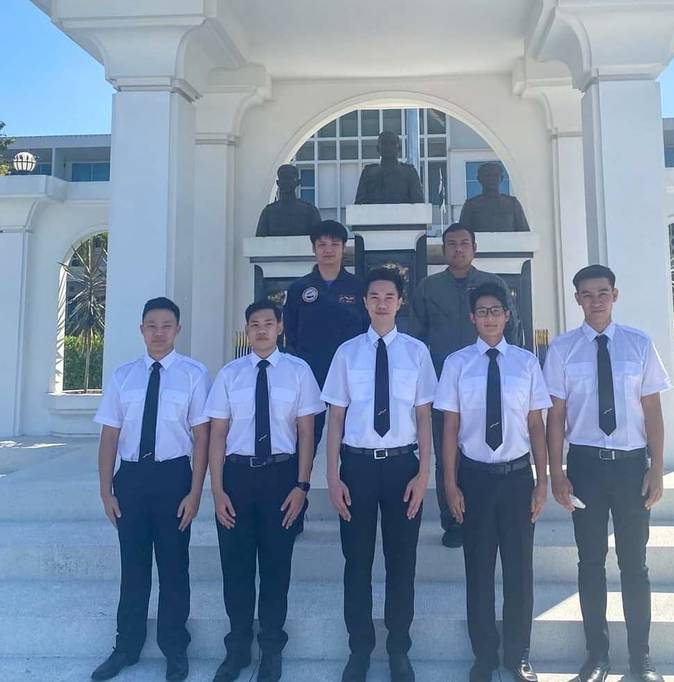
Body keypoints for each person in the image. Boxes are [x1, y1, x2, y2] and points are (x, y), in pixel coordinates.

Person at [544, 265, 671, 682]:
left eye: (603, 293)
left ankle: (641, 658)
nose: (595, 300)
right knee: (590, 562)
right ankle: (597, 656)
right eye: (587, 294)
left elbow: (652, 411)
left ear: (615, 295)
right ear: (576, 299)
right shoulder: (562, 350)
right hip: (586, 468)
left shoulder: (639, 344)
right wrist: (558, 473)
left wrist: (657, 468)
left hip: (632, 467)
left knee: (635, 564)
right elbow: (556, 416)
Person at [322, 267, 437, 682]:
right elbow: (336, 418)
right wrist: (332, 476)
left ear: (400, 302)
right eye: (374, 296)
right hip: (357, 468)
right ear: (365, 302)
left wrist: (424, 474)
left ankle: (398, 648)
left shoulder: (417, 353)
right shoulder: (346, 353)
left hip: (403, 467)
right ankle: (360, 649)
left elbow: (423, 417)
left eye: (389, 296)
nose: (382, 303)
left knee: (401, 562)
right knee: (357, 562)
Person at [91, 297, 211, 682]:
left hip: (173, 478)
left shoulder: (194, 374)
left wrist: (195, 492)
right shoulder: (123, 376)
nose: (159, 333)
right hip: (131, 479)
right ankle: (126, 646)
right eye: (152, 326)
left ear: (178, 330)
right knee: (133, 567)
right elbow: (110, 437)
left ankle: (174, 648)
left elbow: (202, 438)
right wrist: (106, 491)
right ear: (142, 330)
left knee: (174, 567)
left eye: (166, 326)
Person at [435, 283, 550, 682]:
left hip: (517, 479)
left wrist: (541, 482)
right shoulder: (456, 364)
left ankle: (519, 654)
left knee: (519, 571)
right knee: (479, 571)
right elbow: (450, 429)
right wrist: (450, 485)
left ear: (507, 316)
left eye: (496, 310)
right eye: (482, 311)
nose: (489, 317)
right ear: (472, 317)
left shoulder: (526, 363)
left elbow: (536, 426)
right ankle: (484, 655)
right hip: (475, 480)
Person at [206, 300, 324, 682]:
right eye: (254, 324)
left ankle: (272, 648)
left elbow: (307, 433)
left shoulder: (299, 371)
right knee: (236, 568)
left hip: (281, 478)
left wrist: (302, 486)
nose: (261, 330)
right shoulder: (229, 374)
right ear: (247, 330)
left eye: (268, 323)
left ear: (280, 328)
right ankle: (238, 649)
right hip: (237, 478)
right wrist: (217, 489)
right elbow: (217, 435)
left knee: (276, 568)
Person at [411, 222, 516, 548]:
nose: (458, 249)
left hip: (488, 384)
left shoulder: (493, 284)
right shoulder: (428, 288)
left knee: (485, 450)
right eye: (452, 244)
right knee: (447, 454)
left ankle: (486, 516)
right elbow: (416, 338)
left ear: (474, 248)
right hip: (444, 385)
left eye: (464, 243)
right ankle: (454, 521)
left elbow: (512, 331)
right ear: (443, 250)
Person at [283, 219, 369, 450]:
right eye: (322, 244)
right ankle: (302, 475)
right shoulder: (299, 288)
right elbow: (290, 330)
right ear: (314, 249)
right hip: (311, 371)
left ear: (343, 247)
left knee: (351, 435)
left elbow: (366, 329)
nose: (328, 250)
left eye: (334, 244)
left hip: (349, 371)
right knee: (306, 436)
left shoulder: (359, 287)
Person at [354, 130, 425, 204]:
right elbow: (359, 204)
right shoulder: (368, 173)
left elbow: (418, 204)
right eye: (384, 143)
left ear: (399, 148)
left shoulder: (409, 172)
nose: (388, 146)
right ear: (378, 148)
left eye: (392, 143)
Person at [459, 161, 529, 233]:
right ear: (479, 179)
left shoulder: (513, 204)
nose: (491, 179)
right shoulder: (470, 205)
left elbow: (524, 233)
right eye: (487, 176)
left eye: (495, 176)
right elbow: (462, 235)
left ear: (501, 178)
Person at [256, 164, 321, 237]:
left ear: (298, 182)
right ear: (278, 183)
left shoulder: (310, 211)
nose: (286, 182)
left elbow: (318, 239)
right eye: (283, 178)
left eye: (290, 178)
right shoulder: (268, 212)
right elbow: (259, 240)